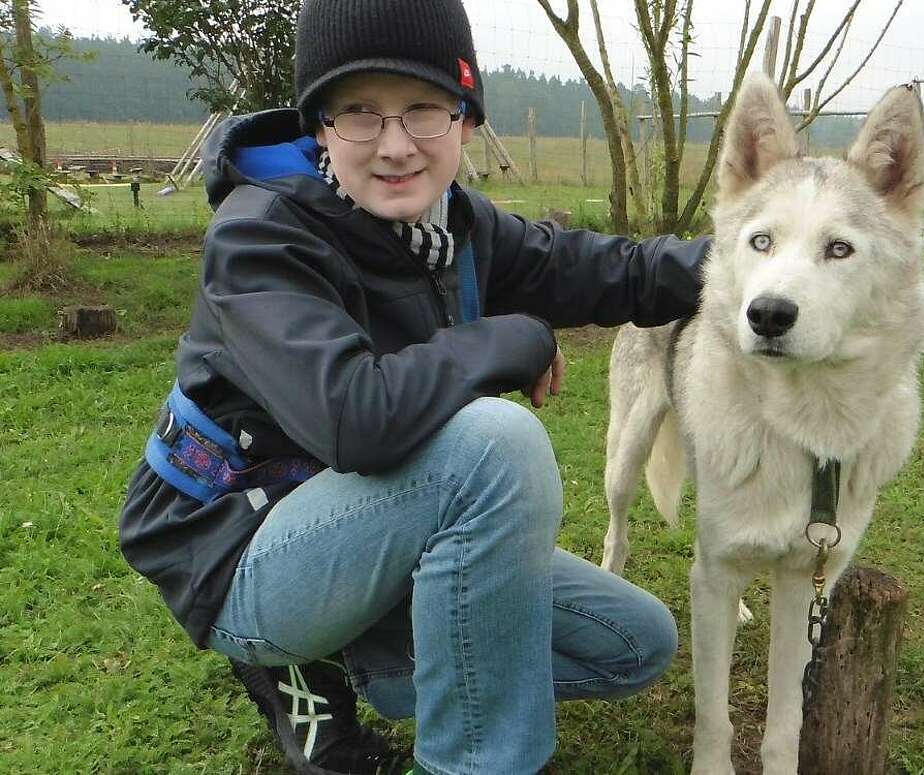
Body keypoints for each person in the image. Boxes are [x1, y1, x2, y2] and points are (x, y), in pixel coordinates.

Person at [117, 1, 710, 774]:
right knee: (493, 445)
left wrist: (765, 258)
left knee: (636, 642)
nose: (395, 146)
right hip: (238, 548)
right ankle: (470, 755)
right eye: (360, 113)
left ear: (466, 120)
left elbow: (615, 271)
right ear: (321, 126)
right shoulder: (259, 237)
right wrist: (515, 337)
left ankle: (382, 666)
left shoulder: (458, 227)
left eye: (423, 110)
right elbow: (354, 418)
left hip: (369, 525)